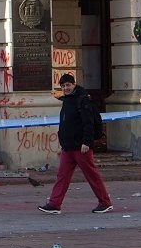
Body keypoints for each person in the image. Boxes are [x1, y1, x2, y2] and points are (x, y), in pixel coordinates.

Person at [38, 73, 113, 214]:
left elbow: (88, 123)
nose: (66, 88)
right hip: (68, 147)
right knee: (62, 176)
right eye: (63, 86)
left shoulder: (82, 100)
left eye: (68, 85)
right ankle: (54, 204)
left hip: (81, 147)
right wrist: (63, 143)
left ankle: (105, 202)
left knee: (91, 174)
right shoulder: (67, 100)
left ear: (74, 84)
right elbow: (66, 124)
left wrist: (86, 142)